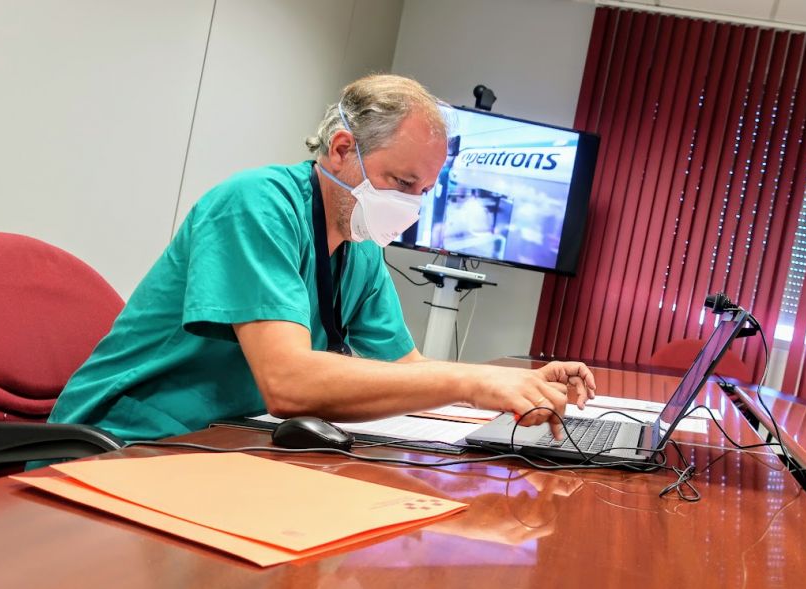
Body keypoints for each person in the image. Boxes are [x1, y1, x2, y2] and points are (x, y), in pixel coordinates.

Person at [47, 74, 596, 443]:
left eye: (423, 191)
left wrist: (511, 383)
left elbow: (406, 371)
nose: (408, 205)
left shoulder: (357, 249)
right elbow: (288, 382)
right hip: (125, 441)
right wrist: (473, 386)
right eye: (400, 182)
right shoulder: (256, 206)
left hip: (224, 439)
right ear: (340, 148)